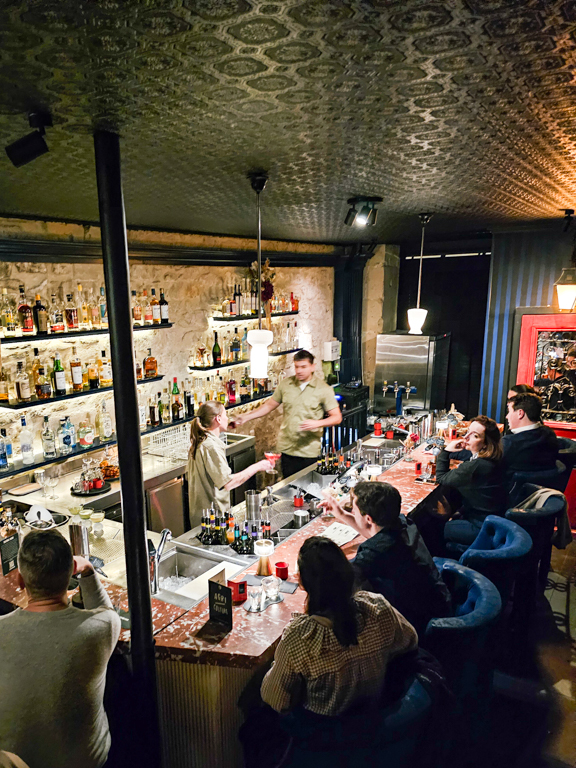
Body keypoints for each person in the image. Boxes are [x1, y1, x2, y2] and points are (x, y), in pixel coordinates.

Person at [0, 529, 120, 768]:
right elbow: (108, 611)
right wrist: (87, 570)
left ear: (21, 581)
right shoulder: (101, 627)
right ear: (69, 577)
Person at [260, 536, 418, 716]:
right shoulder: (378, 609)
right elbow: (410, 641)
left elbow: (275, 699)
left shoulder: (300, 638)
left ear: (302, 582)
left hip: (326, 737)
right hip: (375, 722)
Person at [319, 482, 451, 634]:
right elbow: (376, 534)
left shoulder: (373, 554)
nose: (353, 512)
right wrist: (341, 514)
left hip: (418, 623)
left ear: (368, 519)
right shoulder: (403, 522)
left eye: (354, 510)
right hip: (439, 600)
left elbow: (339, 579)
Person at [232, 350, 342, 479]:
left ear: (313, 366)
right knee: (290, 488)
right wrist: (246, 416)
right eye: (296, 367)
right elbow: (268, 406)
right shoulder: (286, 385)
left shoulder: (323, 389)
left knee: (308, 489)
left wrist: (318, 423)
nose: (299, 371)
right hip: (287, 449)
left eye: (303, 367)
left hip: (309, 451)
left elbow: (337, 417)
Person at [187, 401, 274, 524]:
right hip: (214, 520)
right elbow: (229, 483)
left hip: (203, 517)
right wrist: (258, 466)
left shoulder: (201, 441)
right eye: (225, 415)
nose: (227, 418)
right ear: (218, 419)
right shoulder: (211, 447)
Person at [436, 415, 507, 548]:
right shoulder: (494, 458)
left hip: (482, 527)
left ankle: (440, 565)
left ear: (485, 443)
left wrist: (445, 452)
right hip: (494, 520)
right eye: (467, 432)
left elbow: (441, 478)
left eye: (474, 435)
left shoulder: (476, 466)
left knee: (431, 528)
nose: (466, 437)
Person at [503, 392, 559, 477]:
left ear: (520, 413)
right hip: (545, 487)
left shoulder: (509, 443)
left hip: (512, 488)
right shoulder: (550, 435)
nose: (507, 416)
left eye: (509, 411)